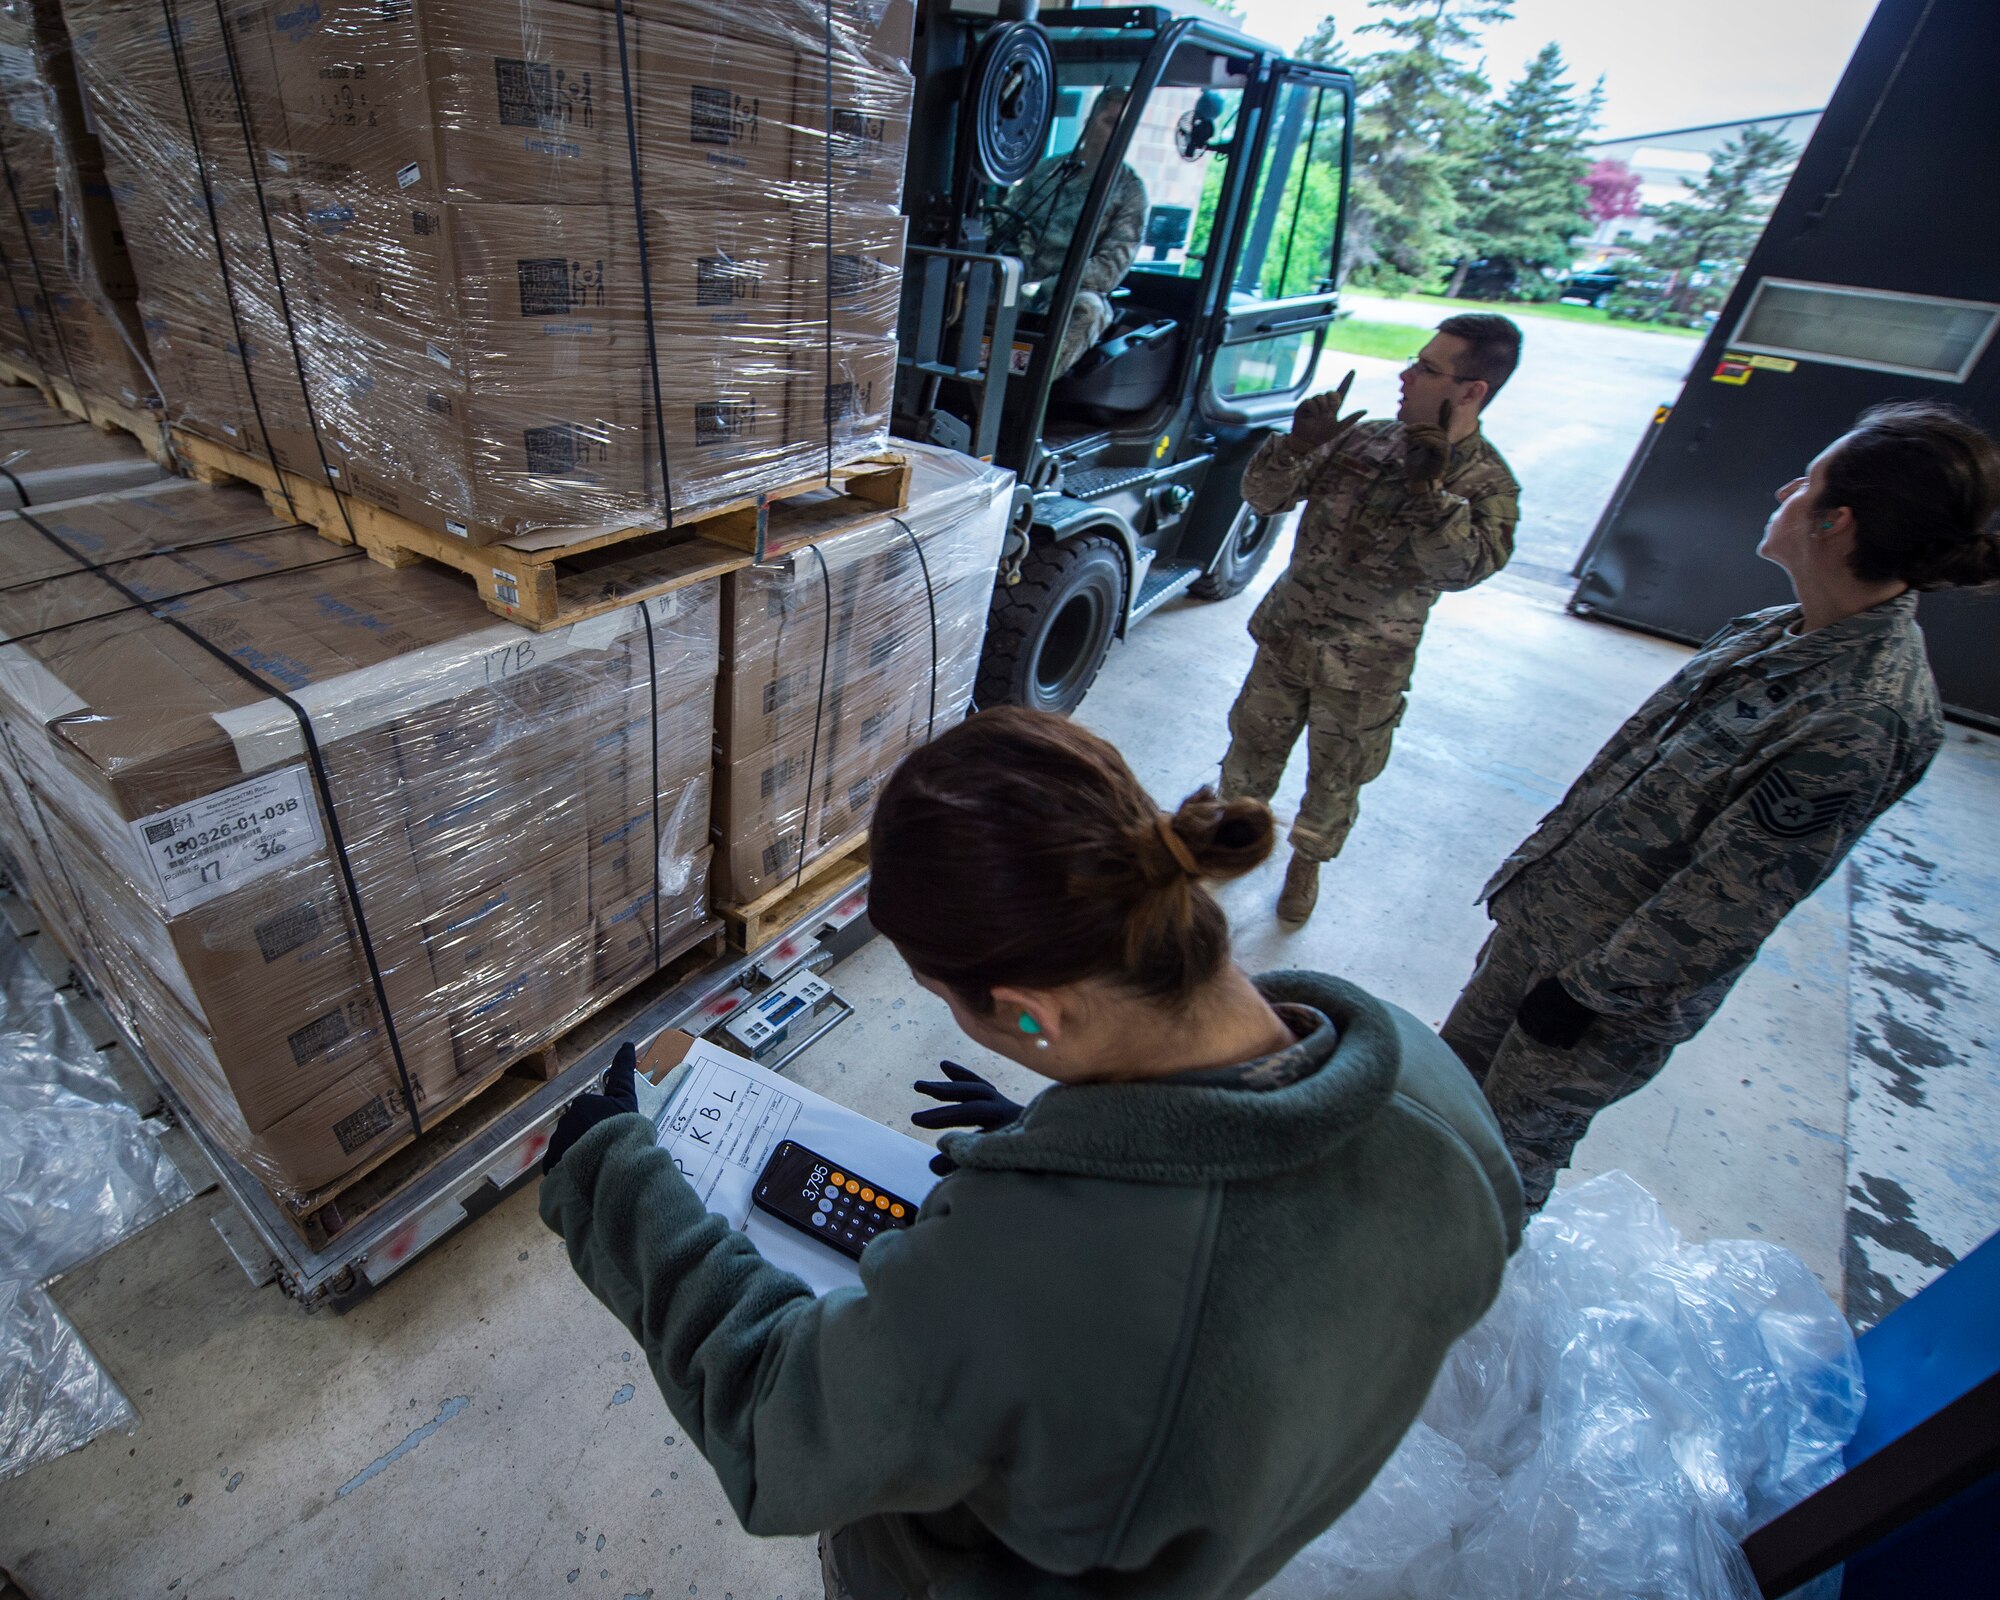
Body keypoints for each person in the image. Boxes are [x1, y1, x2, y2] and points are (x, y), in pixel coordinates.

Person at [541, 707, 1523, 1600]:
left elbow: (777, 1425)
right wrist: (1056, 1135)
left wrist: (613, 1175)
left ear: (1030, 1013)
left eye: (949, 1000)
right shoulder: (1434, 1098)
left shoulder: (1033, 1277)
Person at [1444, 399, 2000, 1210]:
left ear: (1836, 523)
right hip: (1549, 932)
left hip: (1593, 995)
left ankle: (1448, 1308)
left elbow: (1724, 906)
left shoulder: (1859, 714)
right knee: (1441, 1103)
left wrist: (1586, 993)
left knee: (1499, 1165)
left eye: (1806, 483)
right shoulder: (1775, 630)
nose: (1784, 490)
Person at [1218, 315, 1523, 925]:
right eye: (1415, 361)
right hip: (1288, 634)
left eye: (1429, 369)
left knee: (1336, 777)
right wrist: (1297, 446)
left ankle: (1308, 860)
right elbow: (1265, 497)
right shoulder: (1364, 439)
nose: (1407, 375)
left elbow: (1464, 569)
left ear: (1471, 391)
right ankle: (1229, 842)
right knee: (1250, 752)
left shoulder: (1488, 483)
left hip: (1365, 666)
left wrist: (1429, 493)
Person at [997, 87, 1149, 376]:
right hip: (1021, 275)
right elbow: (1007, 222)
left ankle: (1027, 396)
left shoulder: (1129, 192)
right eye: (1108, 121)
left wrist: (1050, 286)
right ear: (1089, 120)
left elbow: (1108, 270)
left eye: (1123, 126)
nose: (1114, 132)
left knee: (1087, 311)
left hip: (1072, 288)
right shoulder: (1048, 171)